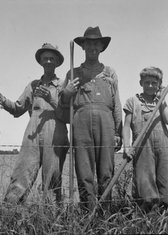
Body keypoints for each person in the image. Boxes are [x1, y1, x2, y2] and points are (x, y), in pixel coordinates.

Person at [0, 43, 69, 204]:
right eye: (45, 59)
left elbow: (69, 116)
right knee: (22, 173)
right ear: (41, 62)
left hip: (57, 134)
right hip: (32, 134)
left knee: (52, 178)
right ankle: (9, 213)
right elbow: (17, 109)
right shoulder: (33, 85)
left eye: (52, 59)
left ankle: (51, 218)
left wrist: (51, 99)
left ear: (57, 62)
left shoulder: (63, 86)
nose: (48, 62)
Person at [59, 26, 122, 211]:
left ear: (102, 47)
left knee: (106, 171)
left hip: (106, 123)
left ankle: (105, 216)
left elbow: (116, 103)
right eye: (89, 43)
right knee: (84, 171)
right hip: (81, 123)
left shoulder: (110, 72)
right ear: (83, 46)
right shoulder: (72, 73)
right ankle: (87, 214)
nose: (93, 47)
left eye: (97, 43)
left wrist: (118, 131)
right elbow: (63, 104)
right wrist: (67, 93)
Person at [122, 67, 168, 213]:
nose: (150, 85)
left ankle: (163, 219)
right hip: (143, 147)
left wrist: (162, 98)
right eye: (147, 82)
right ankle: (145, 220)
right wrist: (126, 146)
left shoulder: (160, 102)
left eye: (154, 83)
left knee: (164, 185)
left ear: (159, 85)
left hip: (163, 148)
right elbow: (126, 126)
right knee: (145, 187)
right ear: (141, 83)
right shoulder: (133, 101)